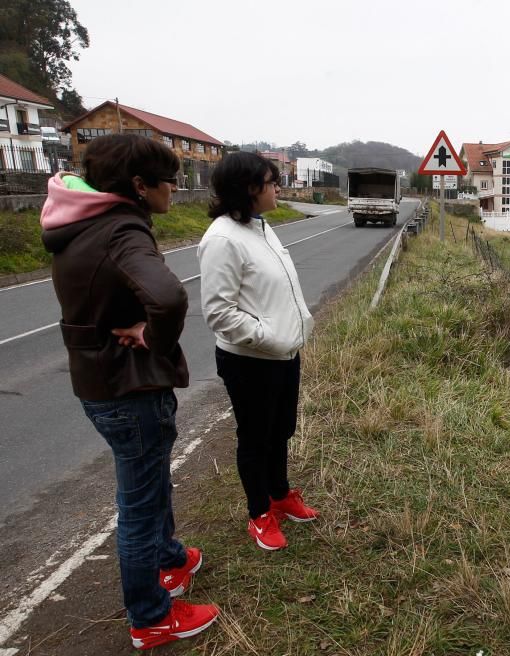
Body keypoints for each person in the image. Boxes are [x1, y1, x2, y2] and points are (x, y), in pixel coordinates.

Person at [40, 134, 218, 650]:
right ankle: (151, 616)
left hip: (98, 379)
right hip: (129, 384)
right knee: (139, 501)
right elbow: (167, 295)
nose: (176, 188)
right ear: (139, 186)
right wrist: (154, 338)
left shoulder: (78, 222)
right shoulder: (122, 229)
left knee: (150, 479)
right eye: (170, 180)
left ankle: (168, 558)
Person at [197, 151, 318, 551]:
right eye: (272, 181)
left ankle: (280, 494)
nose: (279, 187)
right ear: (250, 188)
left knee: (281, 429)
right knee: (254, 438)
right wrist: (271, 336)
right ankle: (258, 513)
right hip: (250, 360)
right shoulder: (222, 239)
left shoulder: (261, 227)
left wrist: (287, 337)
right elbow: (219, 313)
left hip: (283, 354)